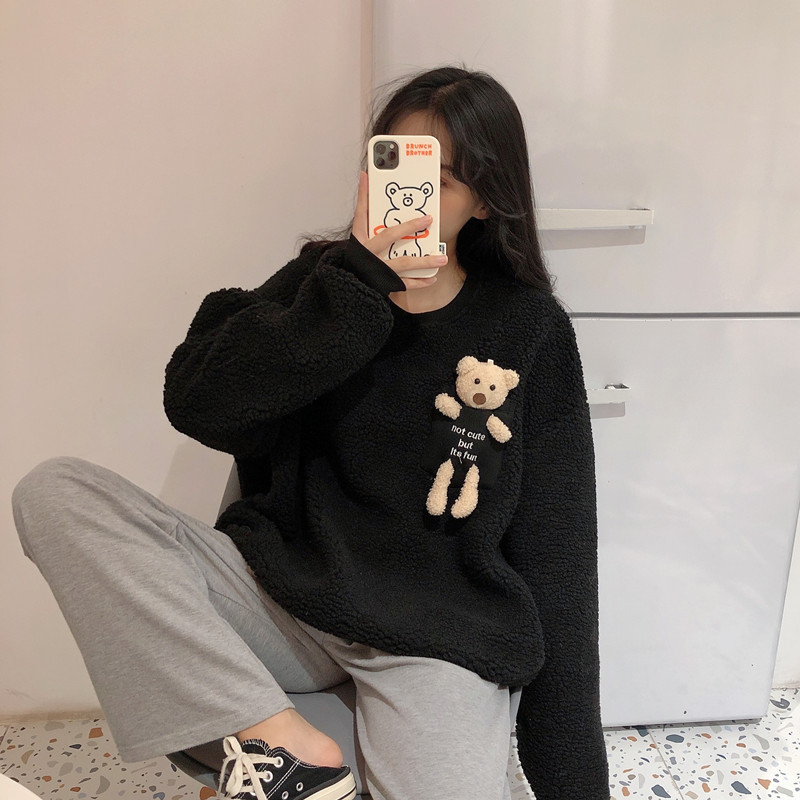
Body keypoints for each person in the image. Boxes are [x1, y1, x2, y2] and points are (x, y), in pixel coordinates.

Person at [11, 65, 609, 800]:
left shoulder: (526, 327)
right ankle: (276, 741)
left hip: (437, 636)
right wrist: (354, 286)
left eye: (440, 179)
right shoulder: (323, 283)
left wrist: (577, 786)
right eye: (393, 165)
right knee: (57, 493)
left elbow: (560, 556)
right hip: (283, 598)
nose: (411, 195)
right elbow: (199, 404)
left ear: (485, 198)